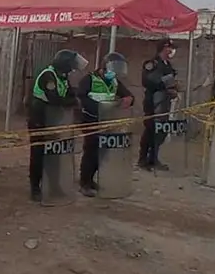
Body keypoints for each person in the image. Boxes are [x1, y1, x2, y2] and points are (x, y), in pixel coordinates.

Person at [26, 49, 86, 201]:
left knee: (55, 154)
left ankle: (53, 186)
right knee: (38, 154)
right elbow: (55, 99)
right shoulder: (49, 75)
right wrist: (73, 102)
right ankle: (35, 188)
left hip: (54, 120)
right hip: (39, 119)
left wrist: (74, 97)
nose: (72, 69)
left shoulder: (62, 76)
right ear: (64, 64)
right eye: (71, 65)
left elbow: (69, 93)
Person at [76, 52, 134, 197]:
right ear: (103, 67)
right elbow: (81, 98)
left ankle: (91, 178)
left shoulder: (114, 81)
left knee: (102, 153)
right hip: (91, 120)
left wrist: (129, 99)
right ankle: (85, 182)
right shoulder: (89, 79)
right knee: (91, 151)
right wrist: (99, 107)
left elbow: (127, 94)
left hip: (107, 122)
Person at [138, 39, 179, 171]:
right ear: (164, 48)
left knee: (161, 130)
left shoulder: (168, 65)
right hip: (152, 101)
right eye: (170, 48)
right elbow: (148, 82)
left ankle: (153, 158)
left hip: (165, 102)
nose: (171, 51)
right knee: (150, 129)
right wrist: (165, 87)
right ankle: (143, 159)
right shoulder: (152, 64)